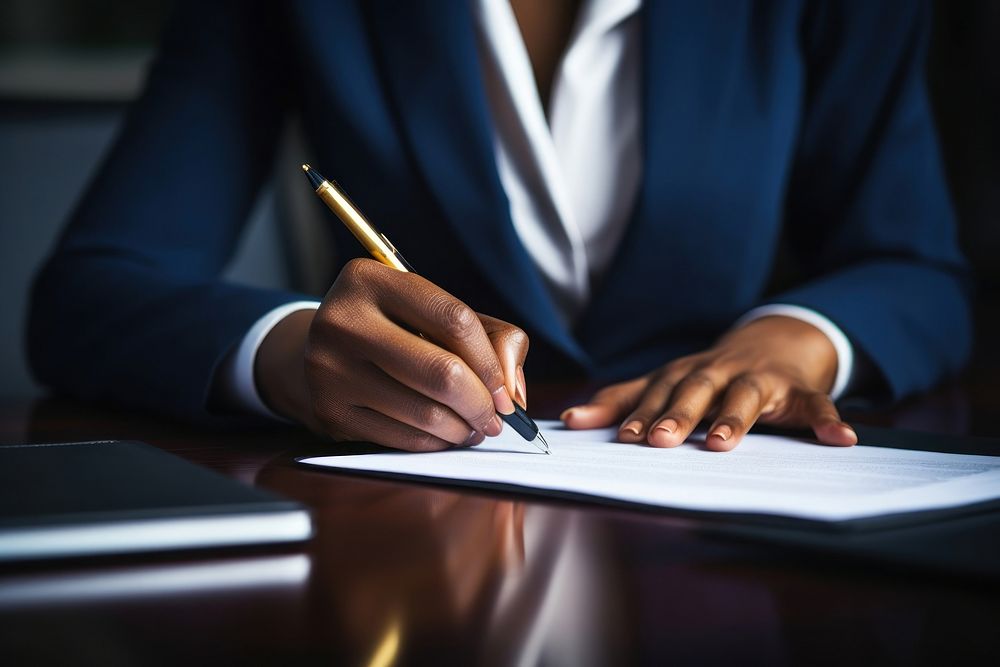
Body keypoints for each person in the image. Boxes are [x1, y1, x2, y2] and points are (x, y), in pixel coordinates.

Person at [28, 0, 970, 453]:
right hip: (428, 556)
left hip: (727, 548)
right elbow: (91, 291)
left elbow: (915, 266)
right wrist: (292, 352)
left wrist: (794, 340)